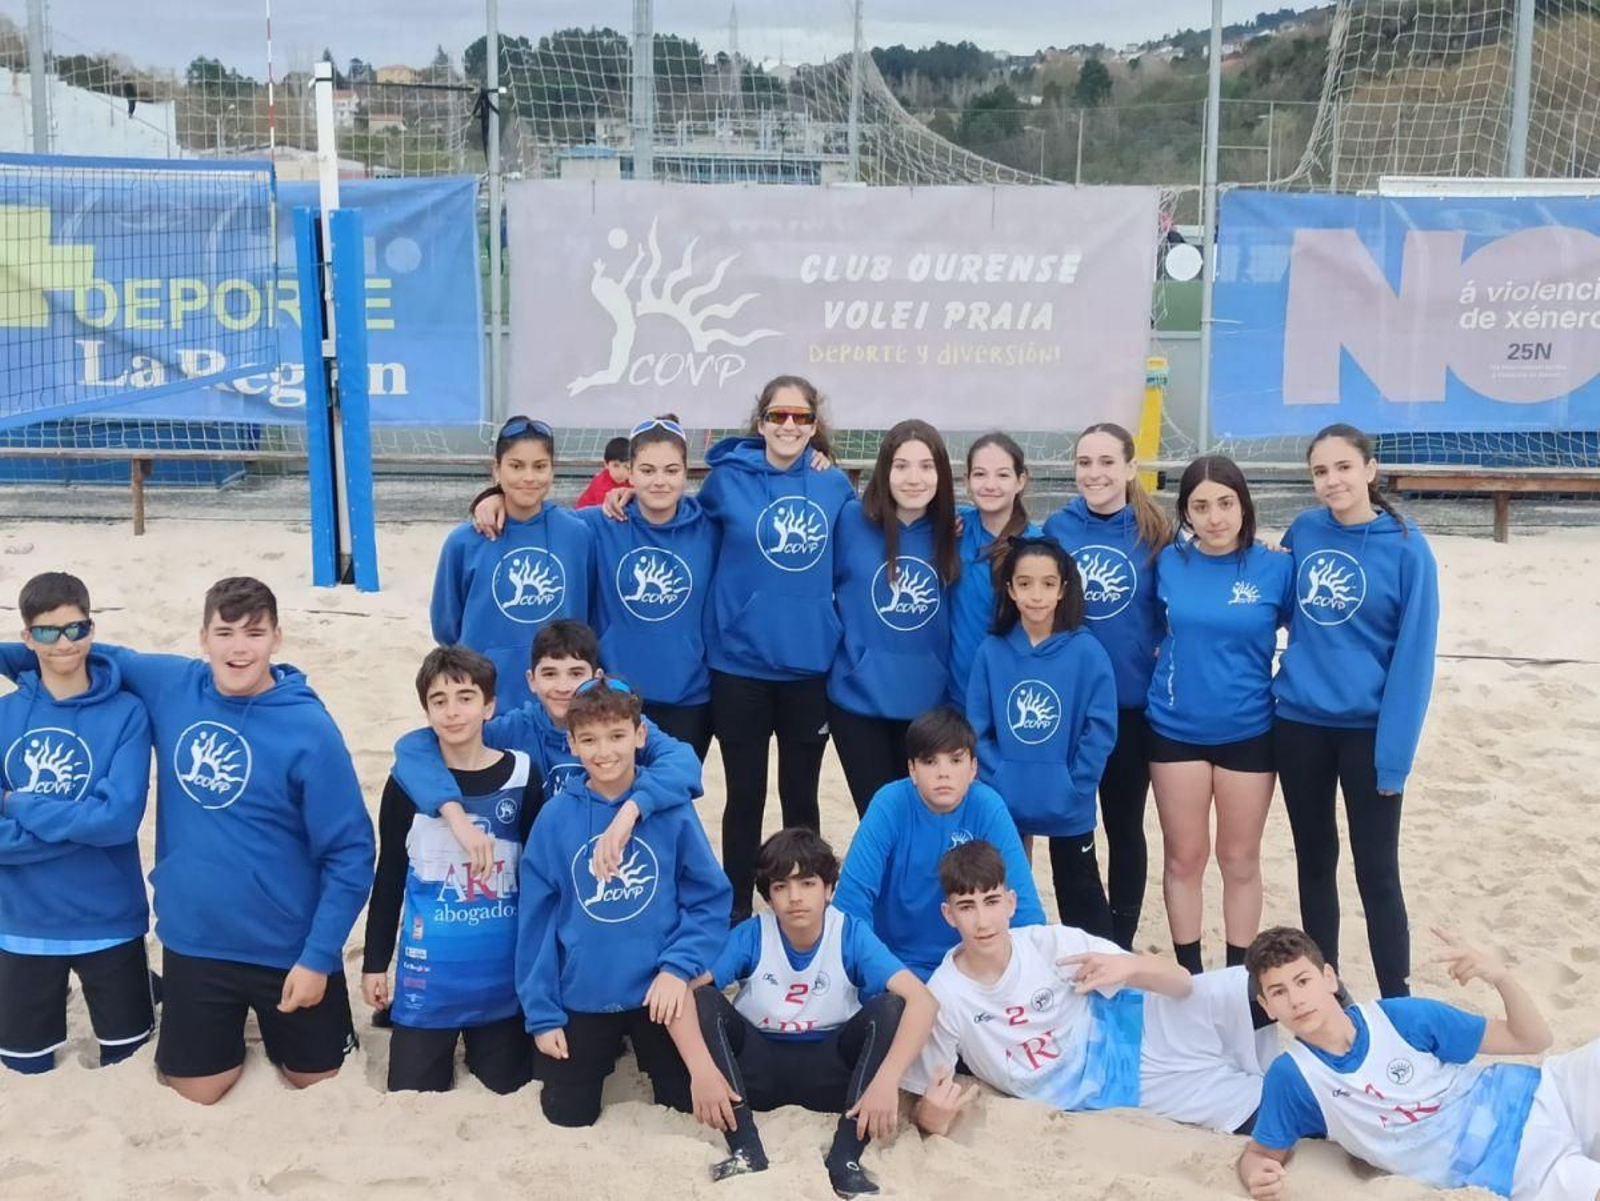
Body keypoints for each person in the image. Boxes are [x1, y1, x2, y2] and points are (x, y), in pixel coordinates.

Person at [0, 577, 375, 1105]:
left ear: (277, 638)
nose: (239, 648)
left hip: (288, 949)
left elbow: (352, 852)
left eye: (254, 633)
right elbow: (69, 648)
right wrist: (20, 652)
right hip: (196, 943)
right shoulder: (171, 683)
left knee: (315, 1082)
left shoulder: (309, 729)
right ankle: (189, 1008)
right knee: (196, 1090)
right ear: (203, 638)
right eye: (225, 632)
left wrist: (317, 957)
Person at [652, 376, 855, 922]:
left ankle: (805, 907)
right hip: (738, 667)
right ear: (760, 421)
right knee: (744, 796)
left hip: (808, 668)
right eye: (778, 416)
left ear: (815, 426)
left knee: (800, 799)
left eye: (801, 417)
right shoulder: (726, 481)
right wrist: (619, 492)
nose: (789, 426)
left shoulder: (834, 486)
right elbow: (673, 515)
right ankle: (738, 913)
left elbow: (864, 545)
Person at [905, 840, 1273, 1139]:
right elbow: (927, 1104)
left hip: (1144, 1019)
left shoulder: (1049, 943)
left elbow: (1181, 981)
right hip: (1117, 1085)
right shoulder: (945, 995)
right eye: (967, 906)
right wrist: (931, 1116)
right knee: (1269, 1110)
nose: (983, 921)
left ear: (1011, 904)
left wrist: (1130, 966)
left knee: (1259, 989)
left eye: (992, 901)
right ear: (948, 914)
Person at [667, 828, 937, 1197]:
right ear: (768, 897)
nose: (795, 898)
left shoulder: (849, 933)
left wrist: (888, 1080)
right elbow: (681, 991)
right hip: (759, 1071)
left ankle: (845, 1158)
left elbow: (923, 1001)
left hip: (830, 1073)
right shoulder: (753, 933)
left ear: (828, 890)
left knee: (890, 1008)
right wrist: (701, 1071)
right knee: (704, 1000)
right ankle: (746, 1148)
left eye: (807, 883)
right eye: (781, 887)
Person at [1239, 925, 1600, 1201]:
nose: (1296, 1000)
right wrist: (1254, 1171)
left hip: (1546, 1091)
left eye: (1303, 981)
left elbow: (1533, 1039)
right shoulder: (1293, 1077)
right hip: (1505, 1160)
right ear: (1267, 1006)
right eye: (1279, 992)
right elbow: (1261, 1153)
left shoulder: (1401, 1017)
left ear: (1329, 978)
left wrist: (1501, 977)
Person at [517, 677, 731, 1128]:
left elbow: (709, 898)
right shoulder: (556, 817)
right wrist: (542, 1014)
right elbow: (536, 921)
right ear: (572, 744)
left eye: (616, 736)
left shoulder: (670, 810)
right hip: (582, 996)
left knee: (681, 1107)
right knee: (567, 1115)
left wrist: (677, 968)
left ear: (639, 735)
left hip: (658, 995)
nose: (604, 751)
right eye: (589, 740)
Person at [1275, 423, 1440, 998]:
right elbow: (1271, 608)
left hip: (1368, 734)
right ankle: (1330, 990)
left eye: (1343, 467)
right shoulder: (1304, 531)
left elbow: (1414, 662)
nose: (1332, 481)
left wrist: (1394, 760)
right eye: (1320, 471)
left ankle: (1398, 997)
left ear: (1369, 470)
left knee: (1377, 871)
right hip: (1298, 724)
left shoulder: (1407, 548)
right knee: (1315, 860)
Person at [390, 620, 703, 886]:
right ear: (531, 680)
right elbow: (415, 747)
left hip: (615, 855)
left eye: (575, 673)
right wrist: (456, 817)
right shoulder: (514, 728)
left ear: (597, 678)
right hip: (545, 865)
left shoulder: (619, 723)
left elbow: (683, 762)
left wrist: (633, 808)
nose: (563, 686)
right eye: (550, 674)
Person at [479, 418, 719, 760]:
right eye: (648, 470)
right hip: (609, 693)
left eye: (671, 470)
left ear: (686, 473)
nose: (660, 481)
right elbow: (534, 516)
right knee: (609, 798)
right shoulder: (598, 522)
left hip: (687, 696)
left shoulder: (709, 526)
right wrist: (493, 497)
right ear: (629, 474)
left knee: (669, 795)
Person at [360, 646, 536, 1094]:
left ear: (489, 706)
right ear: (427, 710)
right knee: (412, 1094)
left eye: (465, 697)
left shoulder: (521, 774)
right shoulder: (406, 784)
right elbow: (390, 875)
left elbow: (539, 878)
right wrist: (375, 964)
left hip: (501, 983)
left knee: (507, 1090)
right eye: (439, 701)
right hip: (427, 983)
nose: (453, 712)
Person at [0, 572, 154, 1075]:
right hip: (21, 925)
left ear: (92, 629)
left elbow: (117, 822)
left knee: (127, 1062)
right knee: (24, 1066)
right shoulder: (5, 717)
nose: (63, 642)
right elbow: (97, 822)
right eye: (46, 632)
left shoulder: (129, 713)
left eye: (74, 628)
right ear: (27, 638)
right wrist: (79, 826)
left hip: (109, 922)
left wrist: (18, 806)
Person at [1148, 456, 1295, 975]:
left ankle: (1237, 978)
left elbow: (1310, 637)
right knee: (1184, 858)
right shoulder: (1167, 563)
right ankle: (1190, 973)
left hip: (1249, 730)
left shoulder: (1277, 565)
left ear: (1243, 504)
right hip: (1175, 730)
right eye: (1201, 506)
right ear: (1186, 513)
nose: (1215, 517)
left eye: (1225, 503)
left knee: (1238, 860)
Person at [1043, 422, 1173, 950]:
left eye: (1105, 462)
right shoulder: (1057, 527)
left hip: (1130, 706)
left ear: (1129, 468)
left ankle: (1119, 942)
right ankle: (1083, 940)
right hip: (1069, 707)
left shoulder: (1157, 531)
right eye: (1084, 463)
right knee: (1070, 825)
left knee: (1123, 826)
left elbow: (1187, 591)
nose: (1094, 473)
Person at [967, 536, 1117, 938]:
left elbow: (1100, 727)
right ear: (1010, 590)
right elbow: (977, 726)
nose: (1037, 595)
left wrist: (1078, 783)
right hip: (1006, 798)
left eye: (1048, 584)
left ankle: (1103, 983)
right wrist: (998, 778)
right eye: (1026, 583)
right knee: (1007, 893)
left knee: (1081, 893)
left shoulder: (1087, 652)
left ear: (1063, 590)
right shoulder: (992, 651)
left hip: (1068, 800)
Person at [833, 706, 1046, 981]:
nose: (943, 773)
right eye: (930, 762)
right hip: (896, 965)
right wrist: (882, 973)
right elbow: (851, 904)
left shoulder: (987, 806)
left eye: (955, 761)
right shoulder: (890, 804)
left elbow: (1024, 908)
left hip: (973, 966)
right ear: (912, 769)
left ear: (973, 768)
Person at [828, 419, 961, 814]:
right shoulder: (849, 521)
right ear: (884, 470)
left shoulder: (958, 530)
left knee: (925, 822)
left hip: (929, 706)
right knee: (880, 821)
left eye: (926, 466)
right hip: (857, 702)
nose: (913, 478)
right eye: (901, 465)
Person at [432, 415, 595, 712]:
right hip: (488, 701)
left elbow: (587, 612)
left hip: (559, 702)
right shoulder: (465, 541)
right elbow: (446, 627)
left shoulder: (577, 534)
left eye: (540, 466)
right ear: (497, 470)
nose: (529, 477)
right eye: (516, 466)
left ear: (553, 470)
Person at [946, 432, 1038, 710]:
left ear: (1020, 481)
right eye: (980, 474)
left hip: (1009, 696)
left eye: (1002, 475)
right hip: (953, 696)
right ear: (966, 481)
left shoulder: (1036, 547)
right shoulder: (953, 527)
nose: (990, 485)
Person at [574, 435, 631, 509]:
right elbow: (605, 512)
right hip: (588, 513)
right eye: (616, 466)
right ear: (606, 464)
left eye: (626, 467)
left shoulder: (631, 477)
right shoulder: (601, 484)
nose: (621, 472)